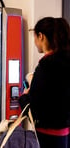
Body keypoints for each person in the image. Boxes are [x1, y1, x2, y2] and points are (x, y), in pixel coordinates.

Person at [19, 17, 70, 148]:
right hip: (65, 133)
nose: (34, 41)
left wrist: (24, 97)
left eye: (34, 36)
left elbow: (34, 111)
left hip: (47, 137)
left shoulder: (45, 67)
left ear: (41, 36)